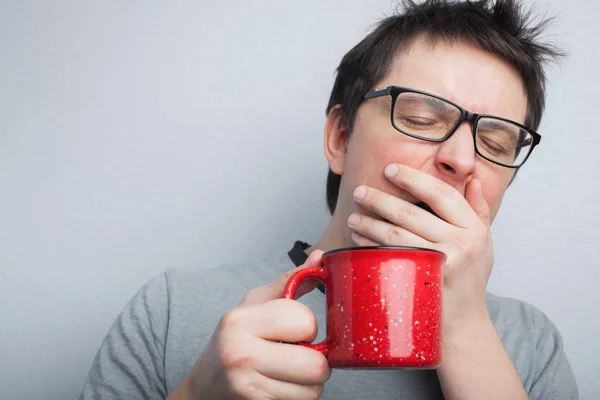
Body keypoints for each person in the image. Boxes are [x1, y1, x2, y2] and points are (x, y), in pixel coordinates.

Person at [79, 0, 579, 399]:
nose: (460, 158)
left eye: (495, 143)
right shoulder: (173, 309)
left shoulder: (529, 343)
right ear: (340, 138)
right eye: (423, 118)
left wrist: (466, 328)